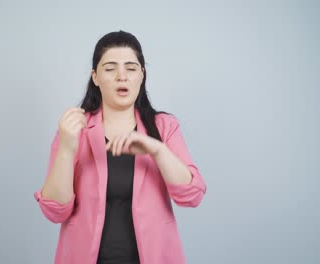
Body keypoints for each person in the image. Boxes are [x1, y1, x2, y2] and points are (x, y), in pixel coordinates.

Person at [34, 30, 207, 264]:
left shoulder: (165, 126)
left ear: (142, 75)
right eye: (110, 68)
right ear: (95, 76)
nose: (122, 76)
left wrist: (156, 149)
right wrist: (66, 147)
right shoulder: (75, 129)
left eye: (131, 68)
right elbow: (55, 211)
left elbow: (192, 196)